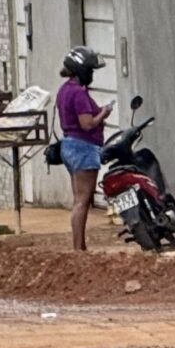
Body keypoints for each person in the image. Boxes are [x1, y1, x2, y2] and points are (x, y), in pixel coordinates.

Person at [55, 47, 111, 254]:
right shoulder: (78, 93)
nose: (92, 75)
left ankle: (79, 245)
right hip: (82, 147)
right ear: (81, 71)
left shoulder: (64, 90)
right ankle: (79, 248)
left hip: (69, 145)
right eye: (90, 71)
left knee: (79, 198)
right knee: (82, 200)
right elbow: (87, 123)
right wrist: (103, 113)